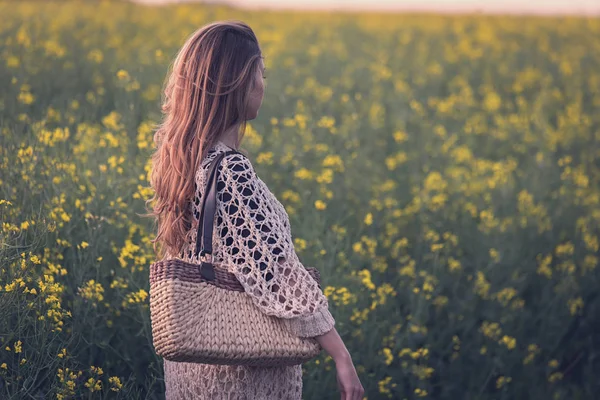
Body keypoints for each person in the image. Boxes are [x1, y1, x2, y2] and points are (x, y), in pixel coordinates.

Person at [148, 20, 364, 400]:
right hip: (240, 376)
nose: (264, 84)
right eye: (259, 74)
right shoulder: (231, 172)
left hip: (195, 370)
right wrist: (342, 357)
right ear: (235, 82)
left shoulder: (189, 162)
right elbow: (281, 275)